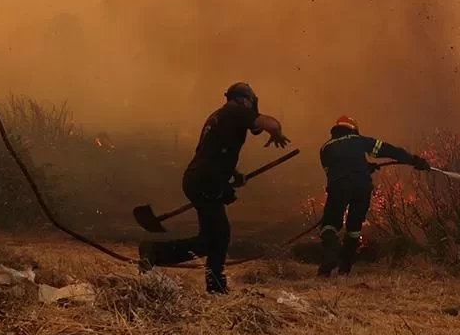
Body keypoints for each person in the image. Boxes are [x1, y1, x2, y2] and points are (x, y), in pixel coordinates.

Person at [139, 82, 290, 294]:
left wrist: (235, 174)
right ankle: (159, 253)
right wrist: (276, 131)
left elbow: (215, 151)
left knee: (211, 238)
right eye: (251, 102)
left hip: (199, 179)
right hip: (205, 181)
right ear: (244, 99)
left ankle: (208, 281)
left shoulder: (218, 116)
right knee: (218, 236)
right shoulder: (237, 111)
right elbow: (269, 123)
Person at [316, 115, 428, 277]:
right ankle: (344, 271)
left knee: (329, 225)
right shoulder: (360, 140)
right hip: (362, 186)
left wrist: (363, 166)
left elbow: (333, 170)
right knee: (354, 229)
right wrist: (414, 160)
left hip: (339, 186)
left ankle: (330, 257)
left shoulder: (325, 148)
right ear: (353, 128)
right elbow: (388, 150)